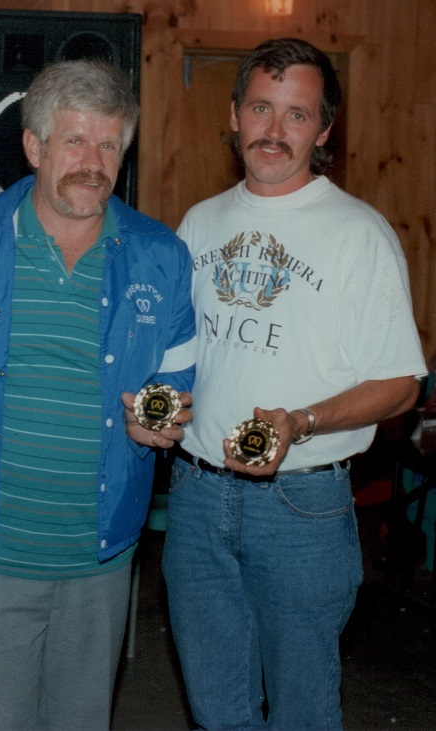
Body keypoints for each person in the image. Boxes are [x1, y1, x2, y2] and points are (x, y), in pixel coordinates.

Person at [0, 59, 196, 730]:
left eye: (108, 145)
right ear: (34, 147)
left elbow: (176, 380)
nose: (93, 161)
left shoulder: (161, 255)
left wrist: (162, 418)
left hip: (99, 552)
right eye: (74, 141)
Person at [165, 37, 427, 730]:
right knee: (217, 710)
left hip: (301, 508)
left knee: (303, 712)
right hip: (195, 497)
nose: (274, 131)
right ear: (234, 115)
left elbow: (402, 383)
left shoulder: (357, 234)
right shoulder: (199, 222)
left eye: (297, 115)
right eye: (261, 107)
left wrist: (300, 421)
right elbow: (181, 353)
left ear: (325, 131)